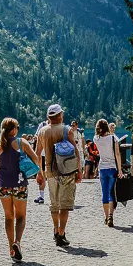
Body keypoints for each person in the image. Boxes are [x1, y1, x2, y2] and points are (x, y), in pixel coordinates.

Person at [0, 118, 45, 261]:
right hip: (20, 184)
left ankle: (11, 249)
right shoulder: (21, 143)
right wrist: (39, 173)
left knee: (9, 217)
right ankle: (17, 242)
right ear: (14, 129)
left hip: (3, 185)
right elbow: (36, 159)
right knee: (20, 216)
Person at [36, 104, 83, 246]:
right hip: (66, 171)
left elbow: (37, 153)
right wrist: (79, 171)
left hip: (49, 172)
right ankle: (61, 234)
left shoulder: (42, 131)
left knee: (54, 204)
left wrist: (40, 172)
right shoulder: (66, 130)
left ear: (49, 117)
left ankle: (56, 229)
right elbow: (76, 152)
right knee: (65, 204)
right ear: (60, 115)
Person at [91, 119, 122, 225]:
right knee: (111, 193)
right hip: (112, 167)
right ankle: (111, 216)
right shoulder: (113, 138)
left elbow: (97, 135)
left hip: (102, 168)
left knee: (104, 193)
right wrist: (120, 170)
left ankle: (105, 217)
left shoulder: (96, 138)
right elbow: (117, 154)